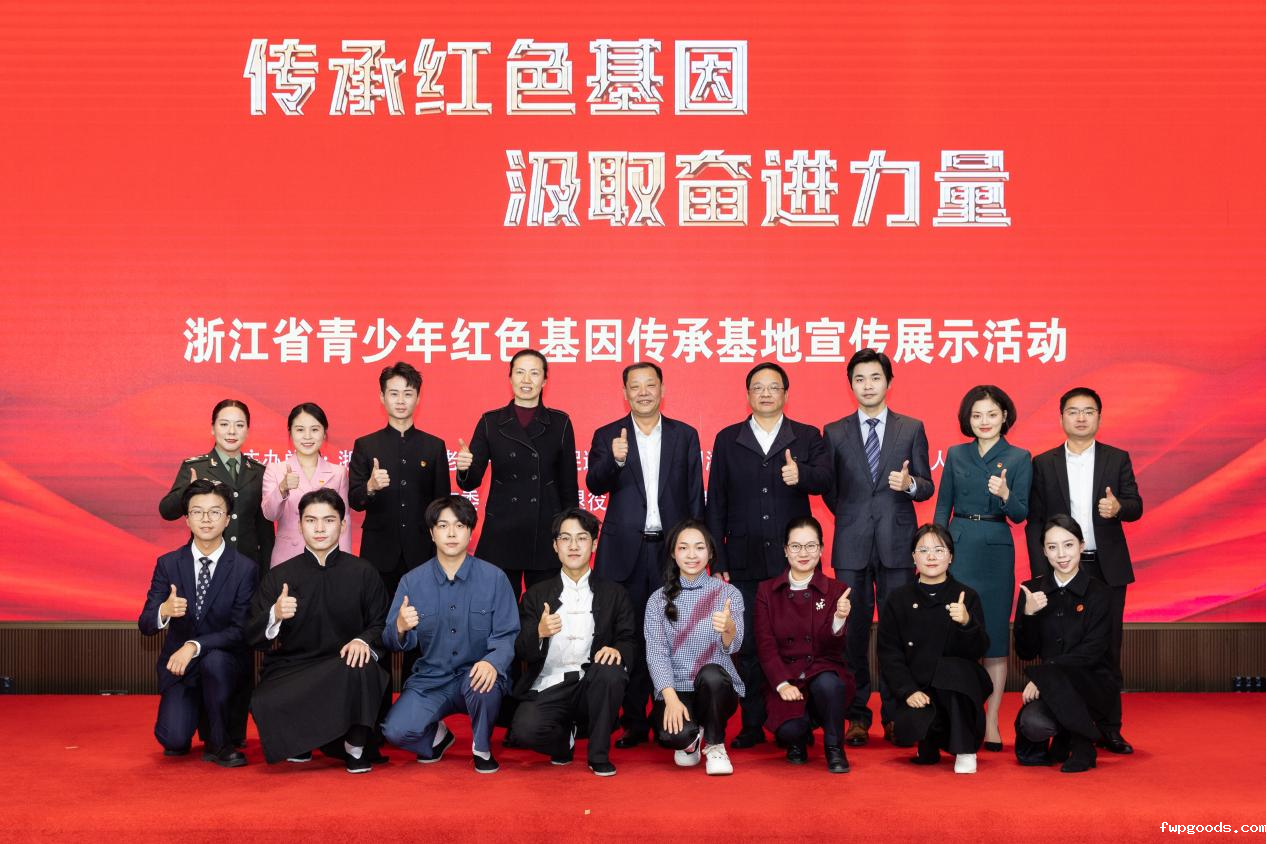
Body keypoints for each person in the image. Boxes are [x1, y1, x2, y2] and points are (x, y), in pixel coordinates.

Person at [705, 362, 831, 750]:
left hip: (792, 561)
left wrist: (802, 475)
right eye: (757, 387)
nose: (765, 393)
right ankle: (752, 723)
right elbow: (716, 502)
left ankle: (795, 720)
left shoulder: (806, 436)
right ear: (747, 395)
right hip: (742, 559)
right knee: (747, 646)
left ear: (785, 394)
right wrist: (718, 559)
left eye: (773, 387)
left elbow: (827, 479)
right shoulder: (729, 439)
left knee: (795, 641)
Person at [585, 361, 704, 749]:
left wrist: (700, 551)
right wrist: (615, 460)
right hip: (624, 553)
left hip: (672, 553)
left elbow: (694, 497)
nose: (643, 392)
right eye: (634, 386)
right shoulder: (608, 435)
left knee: (673, 634)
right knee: (630, 635)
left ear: (662, 389)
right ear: (625, 393)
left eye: (650, 385)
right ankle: (634, 720)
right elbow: (594, 484)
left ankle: (669, 717)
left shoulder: (685, 435)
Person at [823, 348, 934, 746]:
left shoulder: (912, 428)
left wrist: (910, 485)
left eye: (875, 378)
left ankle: (894, 712)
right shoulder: (834, 431)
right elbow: (832, 491)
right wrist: (855, 517)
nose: (867, 385)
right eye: (859, 379)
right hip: (851, 545)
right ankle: (856, 715)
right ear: (850, 385)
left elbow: (927, 485)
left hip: (897, 544)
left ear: (888, 382)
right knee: (851, 632)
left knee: (896, 630)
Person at [1024, 387, 1142, 755]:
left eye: (1088, 411)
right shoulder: (1044, 463)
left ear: (1099, 418)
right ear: (1061, 417)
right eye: (1073, 411)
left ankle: (1109, 728)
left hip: (1104, 567)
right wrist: (1042, 572)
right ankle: (1067, 722)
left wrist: (1118, 508)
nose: (1080, 417)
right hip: (1059, 566)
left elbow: (1135, 505)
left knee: (1107, 650)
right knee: (1059, 643)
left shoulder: (1116, 458)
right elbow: (1035, 521)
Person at [247, 488, 390, 773]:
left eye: (329, 520)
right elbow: (251, 634)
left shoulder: (363, 572)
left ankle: (354, 747)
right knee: (264, 700)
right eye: (311, 521)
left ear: (343, 525)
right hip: (294, 667)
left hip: (343, 665)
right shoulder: (280, 575)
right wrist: (275, 614)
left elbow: (381, 623)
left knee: (363, 665)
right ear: (300, 526)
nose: (320, 528)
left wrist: (363, 640)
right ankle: (301, 741)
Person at [381, 495, 519, 774]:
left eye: (459, 525)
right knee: (395, 731)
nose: (452, 533)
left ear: (470, 531)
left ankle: (482, 748)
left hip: (477, 675)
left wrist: (492, 662)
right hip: (431, 679)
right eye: (443, 526)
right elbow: (389, 639)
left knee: (484, 681)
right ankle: (438, 737)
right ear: (432, 534)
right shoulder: (412, 582)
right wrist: (400, 627)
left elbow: (507, 634)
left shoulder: (495, 578)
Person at [932, 384, 1031, 751]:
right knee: (957, 632)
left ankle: (991, 722)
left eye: (991, 414)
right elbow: (942, 506)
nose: (984, 421)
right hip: (958, 545)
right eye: (977, 415)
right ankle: (962, 717)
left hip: (995, 550)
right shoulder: (956, 454)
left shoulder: (1019, 457)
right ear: (967, 419)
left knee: (994, 636)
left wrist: (1005, 495)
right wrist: (937, 548)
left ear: (1005, 416)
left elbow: (1021, 514)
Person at [138, 479, 257, 767]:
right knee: (173, 741)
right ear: (187, 519)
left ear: (227, 519)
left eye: (215, 512)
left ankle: (219, 743)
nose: (206, 519)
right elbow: (146, 624)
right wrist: (164, 610)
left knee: (214, 662)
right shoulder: (168, 564)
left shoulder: (245, 568)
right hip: (181, 669)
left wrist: (194, 645)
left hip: (223, 665)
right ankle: (196, 711)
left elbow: (240, 631)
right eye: (197, 512)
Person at [511, 508, 637, 776]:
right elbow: (521, 649)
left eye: (581, 538)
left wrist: (616, 650)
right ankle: (564, 740)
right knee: (524, 731)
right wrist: (539, 632)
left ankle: (598, 754)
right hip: (550, 684)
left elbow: (628, 639)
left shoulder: (615, 593)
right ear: (555, 546)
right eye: (565, 538)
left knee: (610, 671)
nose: (573, 546)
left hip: (592, 684)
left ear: (594, 544)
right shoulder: (536, 595)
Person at [455, 349, 579, 599]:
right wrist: (464, 468)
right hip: (502, 531)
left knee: (544, 610)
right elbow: (471, 482)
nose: (526, 380)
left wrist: (569, 533)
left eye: (534, 373)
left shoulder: (560, 423)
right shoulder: (491, 422)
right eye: (520, 372)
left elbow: (568, 486)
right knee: (496, 607)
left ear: (545, 380)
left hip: (545, 532)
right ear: (510, 377)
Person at [876, 524, 992, 774]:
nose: (931, 556)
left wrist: (967, 623)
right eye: (923, 550)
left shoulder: (967, 596)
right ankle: (928, 742)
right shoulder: (898, 599)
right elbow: (889, 653)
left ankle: (965, 749)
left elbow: (979, 650)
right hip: (919, 689)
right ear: (913, 557)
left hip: (957, 692)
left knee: (953, 671)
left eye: (939, 550)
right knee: (908, 728)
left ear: (950, 557)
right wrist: (908, 690)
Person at [1014, 515, 1117, 773]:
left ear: (1081, 546)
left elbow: (1092, 652)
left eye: (1068, 545)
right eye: (1052, 547)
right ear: (1043, 551)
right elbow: (1025, 652)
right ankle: (1064, 735)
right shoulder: (1032, 590)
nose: (1061, 554)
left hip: (1091, 685)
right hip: (1053, 690)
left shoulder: (1100, 592)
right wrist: (1029, 614)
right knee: (1033, 724)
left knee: (1075, 685)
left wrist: (1045, 675)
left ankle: (1083, 743)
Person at [753, 516, 853, 773]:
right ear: (786, 550)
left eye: (811, 546)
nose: (804, 553)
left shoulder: (837, 590)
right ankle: (798, 738)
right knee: (790, 729)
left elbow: (833, 650)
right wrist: (781, 683)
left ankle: (834, 747)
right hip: (786, 674)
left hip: (820, 669)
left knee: (830, 685)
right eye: (796, 546)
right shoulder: (766, 591)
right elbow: (765, 645)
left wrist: (839, 618)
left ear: (821, 549)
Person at [645, 519, 745, 776]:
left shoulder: (729, 594)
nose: (692, 555)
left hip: (716, 688)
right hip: (677, 688)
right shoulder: (657, 600)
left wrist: (729, 628)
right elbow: (656, 654)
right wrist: (670, 699)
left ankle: (715, 744)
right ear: (673, 553)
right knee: (673, 736)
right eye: (684, 547)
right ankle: (691, 739)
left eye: (699, 547)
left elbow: (734, 646)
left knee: (712, 675)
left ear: (710, 553)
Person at [348, 362, 451, 597]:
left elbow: (442, 504)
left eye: (408, 393)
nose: (401, 400)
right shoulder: (366, 445)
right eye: (394, 394)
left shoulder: (434, 446)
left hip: (422, 551)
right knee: (378, 613)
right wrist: (370, 487)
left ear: (418, 398)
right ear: (382, 397)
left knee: (423, 613)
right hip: (378, 551)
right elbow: (354, 500)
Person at [158, 398, 274, 574]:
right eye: (224, 424)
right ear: (212, 428)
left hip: (247, 569)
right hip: (206, 567)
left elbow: (265, 534)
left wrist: (266, 578)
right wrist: (187, 491)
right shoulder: (195, 467)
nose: (232, 431)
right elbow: (167, 511)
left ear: (247, 431)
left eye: (239, 425)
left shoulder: (259, 471)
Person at [262, 402, 352, 567]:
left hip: (327, 559)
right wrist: (282, 488)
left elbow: (344, 520)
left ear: (324, 433)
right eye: (300, 430)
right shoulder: (276, 469)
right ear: (290, 433)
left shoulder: (338, 473)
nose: (307, 436)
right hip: (288, 557)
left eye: (315, 429)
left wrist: (345, 563)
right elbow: (269, 514)